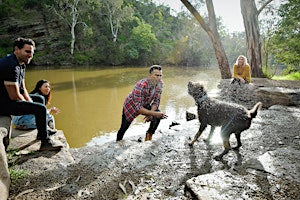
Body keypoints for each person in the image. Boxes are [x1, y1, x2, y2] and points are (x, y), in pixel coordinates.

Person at [0, 37, 62, 151]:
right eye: (27, 51)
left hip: (8, 98)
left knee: (39, 99)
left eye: (32, 53)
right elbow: (14, 96)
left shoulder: (21, 64)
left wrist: (31, 103)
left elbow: (23, 89)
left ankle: (41, 132)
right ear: (16, 49)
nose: (30, 55)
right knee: (40, 109)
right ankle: (45, 142)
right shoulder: (10, 65)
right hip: (3, 103)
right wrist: (33, 109)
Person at [116, 65, 168, 143]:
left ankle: (149, 135)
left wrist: (151, 114)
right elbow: (138, 108)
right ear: (150, 75)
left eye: (160, 75)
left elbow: (156, 101)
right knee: (124, 127)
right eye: (156, 75)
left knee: (157, 114)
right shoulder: (141, 85)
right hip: (131, 106)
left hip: (145, 103)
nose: (159, 77)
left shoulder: (160, 84)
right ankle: (118, 141)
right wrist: (153, 113)